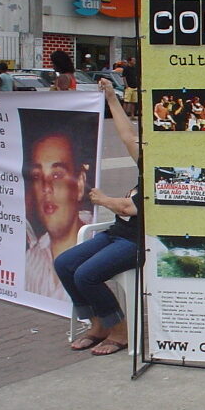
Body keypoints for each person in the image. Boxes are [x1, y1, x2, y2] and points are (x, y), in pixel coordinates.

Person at [56, 78, 141, 355]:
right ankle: (98, 323)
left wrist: (104, 199)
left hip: (140, 241)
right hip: (118, 233)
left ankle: (120, 330)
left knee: (86, 275)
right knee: (65, 264)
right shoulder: (151, 160)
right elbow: (128, 136)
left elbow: (131, 208)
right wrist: (111, 99)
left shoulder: (174, 174)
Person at [24, 121, 93, 300]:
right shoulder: (30, 260)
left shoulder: (97, 247)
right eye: (37, 176)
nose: (46, 187)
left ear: (79, 185)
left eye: (56, 175)